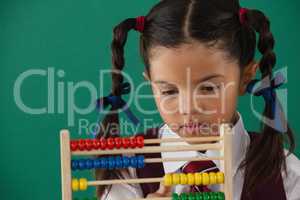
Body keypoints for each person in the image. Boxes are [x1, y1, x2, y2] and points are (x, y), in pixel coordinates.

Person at [95, 0, 300, 199]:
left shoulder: (288, 175)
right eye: (169, 91)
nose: (188, 108)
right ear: (151, 84)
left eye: (208, 88)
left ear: (245, 77)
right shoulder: (127, 169)